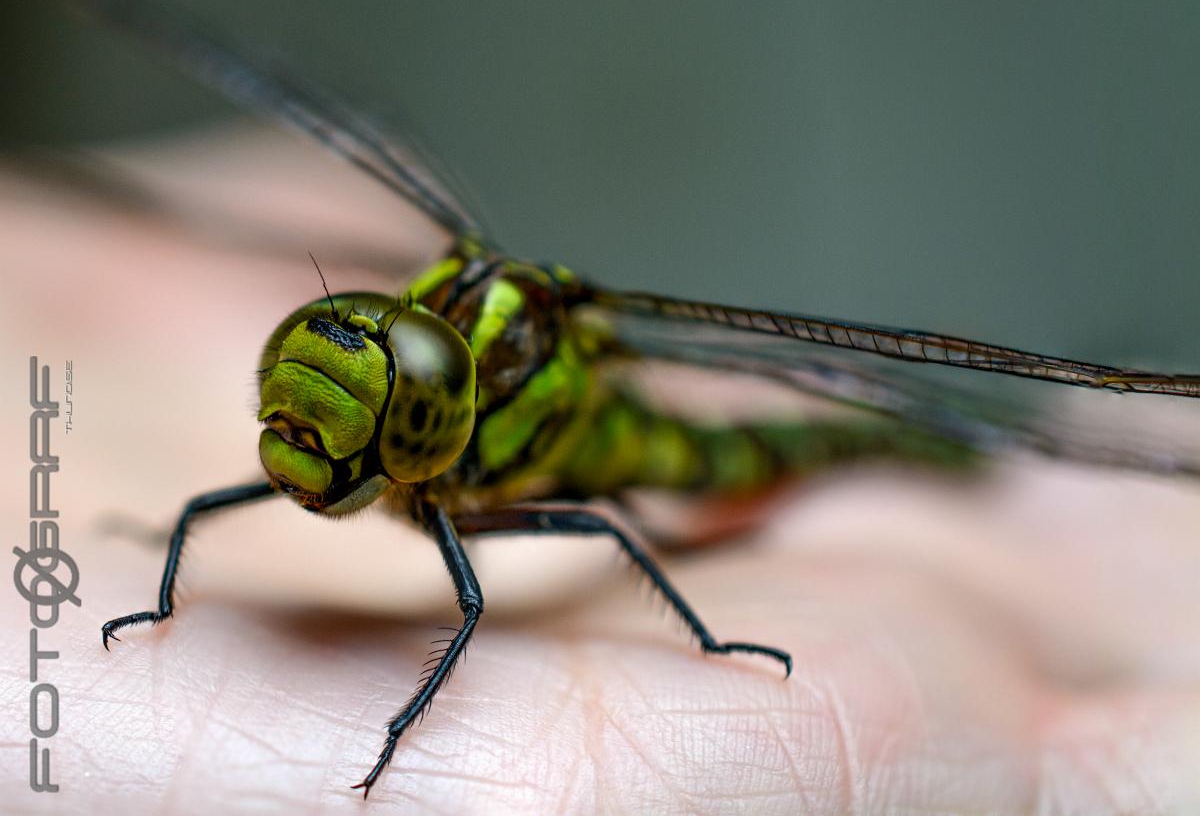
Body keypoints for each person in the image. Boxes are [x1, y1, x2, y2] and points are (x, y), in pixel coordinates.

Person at [3, 130, 1199, 813]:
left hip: (710, 451)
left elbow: (599, 546)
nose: (304, 428)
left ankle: (955, 453)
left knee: (617, 528)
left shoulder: (488, 412)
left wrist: (389, 755)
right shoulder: (387, 388)